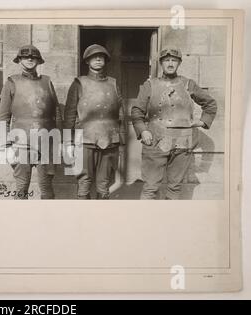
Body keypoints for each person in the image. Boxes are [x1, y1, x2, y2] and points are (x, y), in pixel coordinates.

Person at [131, 47, 217, 200]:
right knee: (150, 188)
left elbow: (210, 104)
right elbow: (137, 111)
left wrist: (202, 122)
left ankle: (171, 221)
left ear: (179, 63)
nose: (170, 64)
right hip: (155, 143)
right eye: (166, 60)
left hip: (182, 144)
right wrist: (143, 131)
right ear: (161, 63)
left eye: (174, 60)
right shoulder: (150, 85)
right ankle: (143, 221)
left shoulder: (188, 84)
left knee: (174, 188)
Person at [63, 44, 126, 200]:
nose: (98, 59)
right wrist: (68, 143)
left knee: (103, 184)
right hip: (84, 140)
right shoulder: (79, 83)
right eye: (94, 57)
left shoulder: (113, 83)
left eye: (101, 57)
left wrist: (121, 140)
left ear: (105, 60)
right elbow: (70, 114)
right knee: (84, 182)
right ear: (87, 61)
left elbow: (121, 113)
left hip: (110, 140)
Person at [0, 44, 59, 199]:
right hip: (21, 143)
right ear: (19, 60)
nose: (30, 59)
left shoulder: (47, 82)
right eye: (26, 57)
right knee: (21, 188)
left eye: (34, 57)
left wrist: (60, 142)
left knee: (47, 189)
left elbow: (56, 114)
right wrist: (6, 147)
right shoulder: (12, 82)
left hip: (46, 143)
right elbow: (3, 117)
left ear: (39, 61)